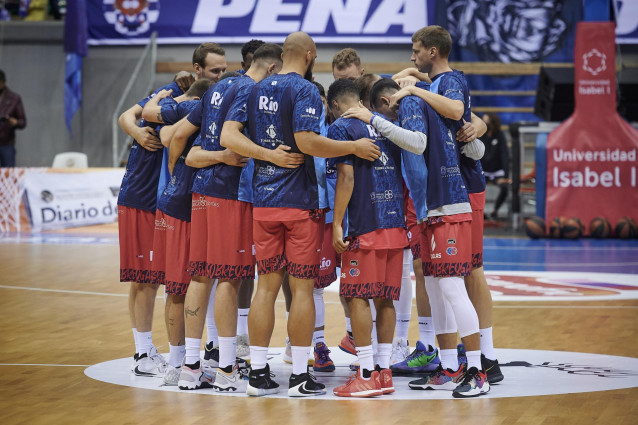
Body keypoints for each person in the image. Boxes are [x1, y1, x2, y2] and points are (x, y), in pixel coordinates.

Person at [221, 31, 380, 397]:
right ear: (309, 55)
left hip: (263, 202)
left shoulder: (253, 86)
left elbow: (229, 135)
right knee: (302, 289)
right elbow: (307, 141)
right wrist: (352, 145)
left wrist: (266, 155)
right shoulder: (306, 89)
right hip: (298, 203)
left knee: (266, 287)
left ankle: (257, 375)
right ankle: (297, 377)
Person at [390, 25, 503, 385]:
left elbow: (458, 109)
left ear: (433, 51)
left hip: (460, 189)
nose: (411, 55)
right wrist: (416, 82)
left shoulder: (448, 84)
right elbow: (455, 108)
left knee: (468, 272)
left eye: (416, 49)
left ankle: (484, 360)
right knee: (437, 278)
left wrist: (418, 91)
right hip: (437, 194)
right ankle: (451, 361)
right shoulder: (433, 84)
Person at [362, 78, 489, 397]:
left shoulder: (411, 105)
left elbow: (417, 144)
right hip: (431, 210)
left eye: (381, 112)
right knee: (433, 286)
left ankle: (477, 370)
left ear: (387, 102)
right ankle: (450, 365)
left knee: (450, 285)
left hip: (445, 206)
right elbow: (474, 132)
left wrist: (372, 120)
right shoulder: (426, 101)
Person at [169, 44, 285, 392]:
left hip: (201, 192)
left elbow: (178, 136)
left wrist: (177, 177)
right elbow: (228, 138)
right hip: (230, 193)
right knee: (230, 279)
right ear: (272, 70)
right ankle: (226, 368)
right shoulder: (251, 90)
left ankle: (191, 366)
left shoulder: (217, 88)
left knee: (201, 276)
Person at [116, 42, 227, 377]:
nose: (220, 76)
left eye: (224, 70)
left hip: (164, 196)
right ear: (197, 71)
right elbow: (130, 116)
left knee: (164, 279)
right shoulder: (172, 95)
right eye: (215, 71)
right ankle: (143, 352)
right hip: (143, 195)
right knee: (146, 278)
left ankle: (153, 350)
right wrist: (137, 131)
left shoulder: (197, 102)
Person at [326, 78, 406, 397]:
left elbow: (345, 176)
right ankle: (384, 372)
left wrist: (336, 223)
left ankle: (366, 372)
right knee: (384, 298)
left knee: (357, 295)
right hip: (395, 222)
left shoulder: (342, 127)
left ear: (334, 106)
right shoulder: (384, 122)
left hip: (365, 223)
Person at [140, 78, 214, 385]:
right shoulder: (199, 107)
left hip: (169, 201)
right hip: (184, 208)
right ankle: (182, 364)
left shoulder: (178, 108)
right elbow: (175, 135)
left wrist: (160, 95)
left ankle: (176, 362)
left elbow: (163, 128)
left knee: (176, 288)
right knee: (187, 285)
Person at [480, 113, 510, 219]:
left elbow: (505, 154)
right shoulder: (481, 135)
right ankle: (481, 212)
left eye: (487, 121)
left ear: (493, 122)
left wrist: (505, 174)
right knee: (476, 188)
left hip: (497, 171)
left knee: (504, 188)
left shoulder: (499, 135)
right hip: (484, 171)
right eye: (483, 121)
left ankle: (495, 210)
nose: (485, 123)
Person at [0, 70, 26, 167]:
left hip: (6, 143)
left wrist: (15, 123)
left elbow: (23, 122)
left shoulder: (14, 98)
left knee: (8, 175)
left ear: (3, 82)